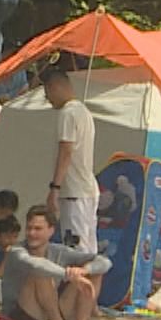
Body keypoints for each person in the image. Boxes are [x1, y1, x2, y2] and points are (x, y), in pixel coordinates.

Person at [0, 206, 109, 320]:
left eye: (38, 229)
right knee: (40, 273)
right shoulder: (17, 251)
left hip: (50, 311)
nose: (32, 233)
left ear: (51, 230)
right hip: (21, 315)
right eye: (29, 228)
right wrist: (67, 274)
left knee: (95, 273)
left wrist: (85, 271)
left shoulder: (59, 251)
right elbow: (36, 265)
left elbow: (104, 262)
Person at [43, 66, 98, 254]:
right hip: (87, 188)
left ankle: (79, 283)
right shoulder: (84, 112)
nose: (47, 99)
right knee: (89, 248)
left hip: (73, 191)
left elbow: (66, 151)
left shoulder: (67, 113)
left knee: (75, 250)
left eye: (47, 92)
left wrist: (55, 188)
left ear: (54, 86)